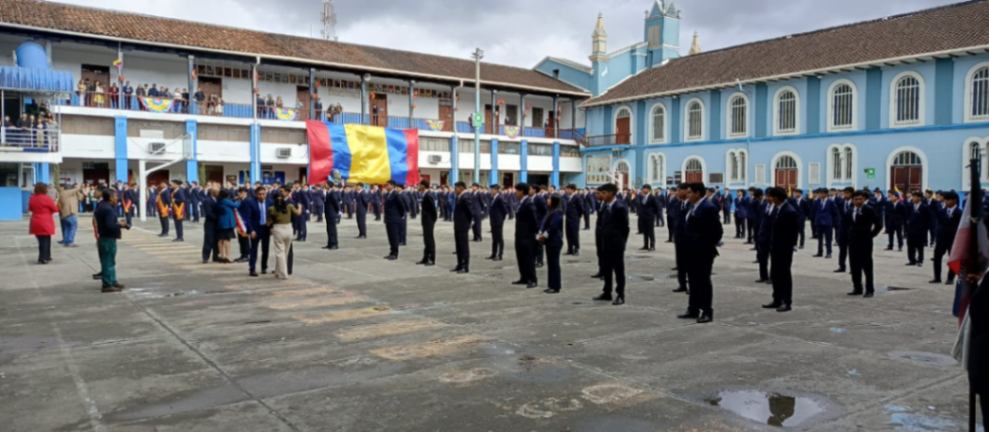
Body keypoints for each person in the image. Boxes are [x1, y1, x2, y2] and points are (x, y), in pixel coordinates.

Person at [678, 182, 723, 323]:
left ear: (698, 193)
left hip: (702, 251)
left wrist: (703, 244)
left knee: (703, 281)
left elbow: (716, 231)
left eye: (690, 192)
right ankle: (693, 308)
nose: (687, 194)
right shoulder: (694, 206)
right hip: (691, 250)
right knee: (693, 280)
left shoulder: (708, 207)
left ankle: (707, 311)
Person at [590, 184, 629, 305]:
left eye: (604, 193)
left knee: (618, 270)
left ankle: (620, 294)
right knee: (606, 268)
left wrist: (621, 243)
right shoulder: (606, 206)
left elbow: (625, 228)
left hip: (616, 244)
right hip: (605, 242)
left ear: (611, 193)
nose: (601, 195)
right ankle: (607, 292)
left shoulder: (620, 207)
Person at [764, 187, 799, 312]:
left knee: (784, 275)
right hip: (775, 247)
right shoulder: (777, 209)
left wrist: (789, 247)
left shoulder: (789, 211)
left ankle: (786, 301)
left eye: (771, 197)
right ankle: (777, 299)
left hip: (784, 249)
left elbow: (793, 233)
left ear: (777, 198)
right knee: (775, 274)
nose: (769, 199)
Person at [847, 190, 884, 297]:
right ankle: (857, 287)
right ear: (852, 200)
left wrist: (871, 235)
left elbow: (879, 224)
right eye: (856, 199)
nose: (858, 201)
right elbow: (846, 224)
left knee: (867, 266)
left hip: (865, 242)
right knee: (854, 266)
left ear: (864, 199)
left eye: (860, 199)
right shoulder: (850, 210)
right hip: (853, 242)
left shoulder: (868, 210)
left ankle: (870, 289)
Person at [93, 188, 129, 292]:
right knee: (108, 261)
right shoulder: (107, 208)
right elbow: (109, 225)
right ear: (110, 197)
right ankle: (107, 284)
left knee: (110, 261)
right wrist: (121, 224)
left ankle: (112, 281)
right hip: (107, 237)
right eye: (115, 196)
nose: (117, 198)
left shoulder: (102, 205)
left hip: (105, 237)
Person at [267, 187, 300, 279]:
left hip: (279, 228)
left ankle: (283, 272)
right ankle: (279, 270)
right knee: (284, 252)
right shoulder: (289, 205)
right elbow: (297, 213)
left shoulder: (272, 208)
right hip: (288, 228)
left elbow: (268, 221)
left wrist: (270, 227)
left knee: (280, 252)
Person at [931, 191, 961, 284]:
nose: (946, 202)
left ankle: (950, 278)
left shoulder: (959, 213)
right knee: (937, 257)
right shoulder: (941, 212)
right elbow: (939, 224)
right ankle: (937, 277)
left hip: (953, 239)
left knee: (953, 259)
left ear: (954, 201)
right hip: (941, 238)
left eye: (948, 200)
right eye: (945, 200)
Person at [512, 183, 538, 288]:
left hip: (527, 236)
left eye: (517, 191)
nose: (515, 193)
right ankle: (524, 277)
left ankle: (532, 279)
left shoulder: (528, 203)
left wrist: (531, 234)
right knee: (521, 257)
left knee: (528, 258)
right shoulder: (522, 202)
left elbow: (534, 221)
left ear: (522, 191)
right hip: (520, 235)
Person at [539, 194, 565, 294]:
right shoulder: (550, 211)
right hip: (549, 241)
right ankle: (551, 285)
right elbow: (544, 223)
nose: (547, 200)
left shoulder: (557, 212)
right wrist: (540, 232)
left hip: (555, 241)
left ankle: (556, 286)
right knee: (551, 264)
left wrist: (544, 235)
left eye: (549, 199)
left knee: (554, 264)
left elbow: (553, 227)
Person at [28, 183, 58, 264]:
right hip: (45, 221)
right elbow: (55, 209)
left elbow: (30, 208)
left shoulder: (32, 198)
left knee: (41, 240)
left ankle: (46, 256)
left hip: (35, 221)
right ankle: (44, 257)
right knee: (46, 240)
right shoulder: (47, 198)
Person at [244, 186, 270, 276]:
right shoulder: (251, 203)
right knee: (254, 250)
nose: (262, 196)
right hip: (255, 229)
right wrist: (251, 230)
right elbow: (248, 218)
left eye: (263, 194)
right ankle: (252, 269)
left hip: (266, 229)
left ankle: (264, 267)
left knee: (265, 249)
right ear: (256, 194)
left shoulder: (269, 202)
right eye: (260, 194)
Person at [906, 191, 930, 267]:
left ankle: (920, 260)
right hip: (911, 229)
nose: (913, 198)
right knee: (910, 245)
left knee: (920, 246)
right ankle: (912, 260)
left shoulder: (924, 207)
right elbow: (907, 216)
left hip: (920, 230)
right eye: (913, 196)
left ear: (919, 198)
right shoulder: (910, 206)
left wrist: (925, 229)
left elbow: (928, 219)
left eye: (915, 197)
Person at [215, 189, 240, 263]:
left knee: (221, 240)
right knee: (227, 240)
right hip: (227, 224)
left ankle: (222, 256)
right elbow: (236, 205)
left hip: (221, 223)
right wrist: (239, 200)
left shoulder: (219, 200)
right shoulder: (226, 201)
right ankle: (228, 257)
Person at [452, 182, 472, 273]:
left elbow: (471, 211)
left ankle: (465, 266)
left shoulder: (466, 197)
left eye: (456, 188)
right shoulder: (460, 197)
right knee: (458, 246)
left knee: (463, 246)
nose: (455, 190)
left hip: (463, 225)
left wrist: (469, 222)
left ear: (461, 188)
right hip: (458, 225)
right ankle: (459, 264)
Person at [383, 180, 405, 260]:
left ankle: (395, 254)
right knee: (390, 236)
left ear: (392, 185)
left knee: (394, 236)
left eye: (388, 185)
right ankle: (391, 252)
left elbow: (401, 206)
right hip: (388, 219)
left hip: (395, 219)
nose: (386, 186)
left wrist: (400, 216)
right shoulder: (387, 194)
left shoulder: (396, 194)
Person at [487, 184, 510, 261]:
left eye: (492, 189)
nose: (490, 191)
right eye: (490, 189)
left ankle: (500, 255)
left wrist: (501, 219)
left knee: (499, 238)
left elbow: (505, 210)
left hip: (498, 221)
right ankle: (493, 254)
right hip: (493, 221)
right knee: (494, 238)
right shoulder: (493, 198)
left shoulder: (500, 198)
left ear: (496, 190)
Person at [417, 180, 437, 266]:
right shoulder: (424, 194)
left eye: (420, 185)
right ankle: (425, 257)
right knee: (426, 240)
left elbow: (433, 209)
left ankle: (431, 259)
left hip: (429, 220)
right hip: (425, 220)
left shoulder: (428, 195)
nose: (418, 186)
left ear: (424, 186)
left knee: (429, 240)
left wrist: (433, 219)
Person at [56, 183, 82, 247]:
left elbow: (81, 198)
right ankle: (70, 241)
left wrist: (77, 192)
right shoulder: (64, 193)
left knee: (67, 228)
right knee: (73, 227)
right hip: (69, 213)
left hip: (68, 213)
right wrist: (78, 187)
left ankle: (66, 242)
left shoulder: (72, 194)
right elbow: (76, 189)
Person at [813, 189, 836, 259]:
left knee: (828, 239)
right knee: (820, 239)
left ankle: (829, 253)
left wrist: (833, 222)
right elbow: (814, 210)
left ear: (826, 194)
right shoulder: (817, 201)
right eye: (819, 193)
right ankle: (820, 252)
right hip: (819, 222)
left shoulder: (831, 202)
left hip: (827, 223)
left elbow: (835, 213)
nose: (820, 195)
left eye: (821, 194)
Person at [200, 186, 220, 264]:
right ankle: (205, 257)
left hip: (217, 224)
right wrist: (218, 218)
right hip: (210, 224)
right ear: (213, 192)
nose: (218, 193)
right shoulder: (207, 200)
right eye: (217, 192)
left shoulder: (218, 200)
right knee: (208, 240)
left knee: (216, 241)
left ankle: (216, 256)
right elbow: (208, 213)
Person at [564, 184, 584, 256]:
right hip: (568, 218)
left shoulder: (577, 197)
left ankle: (576, 249)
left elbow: (581, 208)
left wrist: (577, 216)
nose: (566, 190)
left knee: (574, 234)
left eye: (567, 189)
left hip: (574, 219)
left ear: (572, 189)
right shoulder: (569, 197)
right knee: (568, 234)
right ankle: (570, 249)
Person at [637, 184, 658, 251]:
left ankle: (652, 246)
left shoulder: (652, 197)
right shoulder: (642, 197)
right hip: (643, 217)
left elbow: (656, 207)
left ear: (648, 190)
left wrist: (652, 214)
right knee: (645, 231)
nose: (644, 190)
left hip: (650, 217)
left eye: (645, 189)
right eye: (643, 189)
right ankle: (645, 245)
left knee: (650, 232)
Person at [322, 182, 341, 249]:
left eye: (326, 184)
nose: (325, 185)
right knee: (329, 229)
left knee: (332, 229)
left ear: (329, 185)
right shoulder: (328, 192)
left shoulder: (332, 193)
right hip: (328, 213)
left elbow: (336, 202)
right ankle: (330, 243)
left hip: (332, 213)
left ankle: (334, 244)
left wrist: (338, 211)